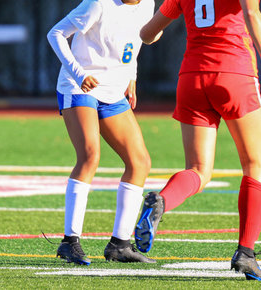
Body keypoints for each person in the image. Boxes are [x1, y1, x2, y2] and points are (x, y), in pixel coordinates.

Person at [134, 0, 261, 280]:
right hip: (234, 73)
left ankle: (161, 200)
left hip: (192, 78)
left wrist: (156, 34)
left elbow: (147, 34)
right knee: (254, 167)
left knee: (199, 171)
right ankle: (246, 254)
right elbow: (252, 12)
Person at [46, 0, 155, 265]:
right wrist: (79, 72)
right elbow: (56, 33)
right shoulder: (98, 4)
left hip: (113, 90)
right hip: (78, 85)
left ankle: (120, 245)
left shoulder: (147, 4)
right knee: (90, 155)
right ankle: (69, 242)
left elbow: (134, 41)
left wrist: (132, 77)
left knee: (139, 162)